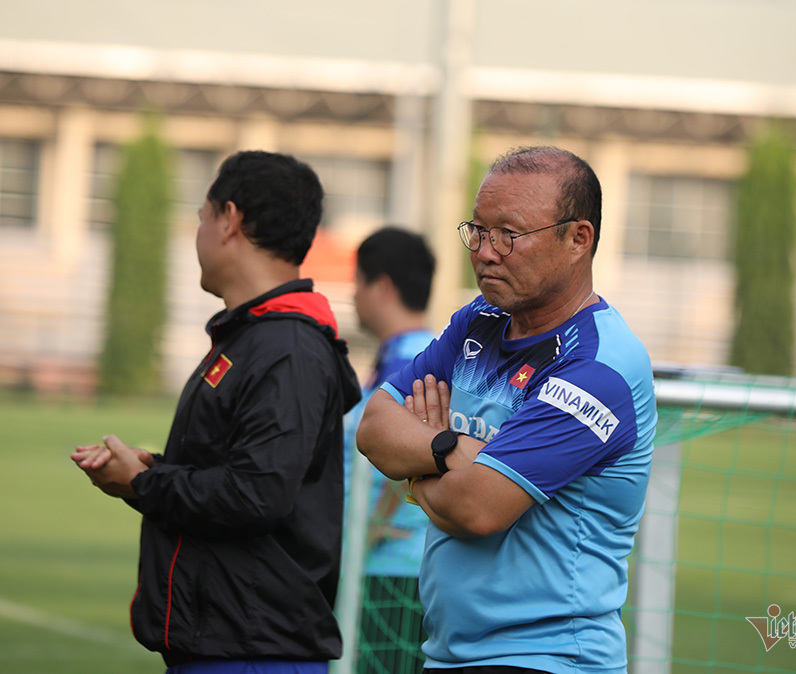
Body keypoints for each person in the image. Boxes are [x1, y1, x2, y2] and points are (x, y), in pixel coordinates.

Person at [356, 146, 657, 674]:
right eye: (478, 230)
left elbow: (478, 510)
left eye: (508, 235)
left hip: (547, 658)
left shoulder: (599, 365)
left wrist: (416, 466)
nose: (486, 252)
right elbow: (375, 425)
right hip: (449, 653)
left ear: (577, 239)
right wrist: (449, 448)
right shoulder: (479, 320)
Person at [71, 150, 361, 674]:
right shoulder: (254, 336)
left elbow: (257, 495)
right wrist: (149, 471)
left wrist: (144, 483)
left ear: (230, 219)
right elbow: (242, 474)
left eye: (201, 216)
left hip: (253, 652)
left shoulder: (287, 346)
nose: (197, 232)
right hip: (228, 644)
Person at [343, 227, 437, 673]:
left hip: (396, 571)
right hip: (393, 567)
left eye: (357, 282)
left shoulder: (412, 361)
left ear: (381, 286)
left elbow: (421, 447)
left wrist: (373, 526)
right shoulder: (404, 355)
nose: (353, 295)